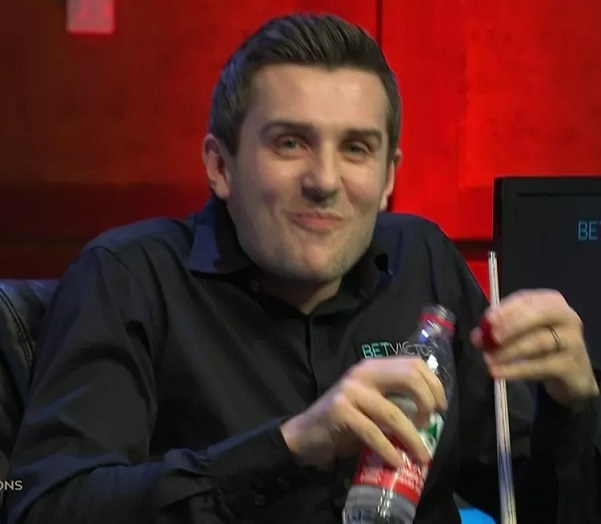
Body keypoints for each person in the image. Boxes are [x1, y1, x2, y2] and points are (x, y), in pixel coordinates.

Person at [6, 13, 601, 524]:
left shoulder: (425, 261)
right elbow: (45, 505)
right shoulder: (128, 278)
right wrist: (290, 445)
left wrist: (571, 406)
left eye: (356, 148)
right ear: (220, 166)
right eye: (290, 143)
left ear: (389, 177)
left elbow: (532, 505)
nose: (324, 180)